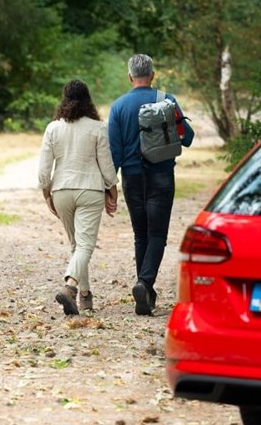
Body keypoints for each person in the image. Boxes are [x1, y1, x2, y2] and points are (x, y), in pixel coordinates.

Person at [108, 54, 194, 315]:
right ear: (153, 75)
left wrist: (109, 186)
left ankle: (146, 290)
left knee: (140, 234)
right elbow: (187, 138)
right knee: (157, 234)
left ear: (129, 76)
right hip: (162, 175)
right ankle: (145, 284)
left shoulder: (118, 106)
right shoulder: (167, 100)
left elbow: (114, 151)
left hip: (132, 177)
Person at [38, 79, 119, 316]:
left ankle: (85, 296)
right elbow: (106, 164)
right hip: (90, 190)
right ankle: (70, 287)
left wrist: (47, 193)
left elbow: (44, 168)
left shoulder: (53, 128)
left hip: (62, 190)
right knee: (85, 245)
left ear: (64, 100)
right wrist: (112, 189)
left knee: (77, 245)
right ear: (87, 100)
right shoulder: (97, 127)